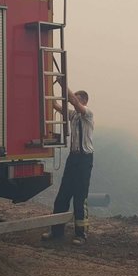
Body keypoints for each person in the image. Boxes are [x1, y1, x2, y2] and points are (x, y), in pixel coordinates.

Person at [42, 88, 94, 246]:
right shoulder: (74, 115)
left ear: (83, 101)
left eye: (77, 99)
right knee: (62, 195)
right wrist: (48, 89)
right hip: (73, 158)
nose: (73, 101)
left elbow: (73, 102)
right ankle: (56, 231)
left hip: (85, 159)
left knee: (80, 197)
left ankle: (81, 234)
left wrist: (64, 85)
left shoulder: (88, 114)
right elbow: (58, 107)